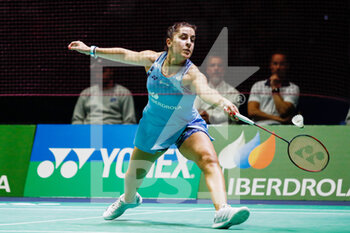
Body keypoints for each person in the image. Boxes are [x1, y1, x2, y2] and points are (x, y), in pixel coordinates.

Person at [68, 22, 249, 229]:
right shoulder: (152, 60)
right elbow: (124, 55)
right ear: (169, 42)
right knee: (132, 177)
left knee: (209, 159)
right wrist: (90, 50)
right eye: (183, 37)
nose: (189, 43)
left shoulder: (192, 74)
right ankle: (128, 199)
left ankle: (222, 210)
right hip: (154, 128)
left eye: (192, 39)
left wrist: (223, 102)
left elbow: (205, 91)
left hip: (186, 126)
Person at [72, 58, 136, 124]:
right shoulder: (86, 93)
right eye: (97, 71)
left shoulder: (124, 93)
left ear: (111, 71)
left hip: (114, 131)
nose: (98, 74)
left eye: (103, 71)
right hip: (90, 131)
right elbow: (77, 120)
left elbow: (129, 121)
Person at [247, 52, 299, 125]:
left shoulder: (293, 88)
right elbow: (252, 111)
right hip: (259, 126)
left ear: (287, 66)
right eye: (275, 64)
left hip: (280, 128)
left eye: (282, 64)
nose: (278, 67)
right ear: (270, 66)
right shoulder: (258, 85)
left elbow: (283, 111)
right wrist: (278, 119)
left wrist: (274, 89)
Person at [194, 55, 242, 124]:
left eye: (219, 65)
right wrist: (200, 115)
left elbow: (231, 115)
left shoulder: (233, 92)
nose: (216, 68)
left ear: (224, 70)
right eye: (212, 65)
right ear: (207, 70)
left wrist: (210, 118)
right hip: (202, 128)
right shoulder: (199, 90)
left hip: (226, 131)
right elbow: (194, 110)